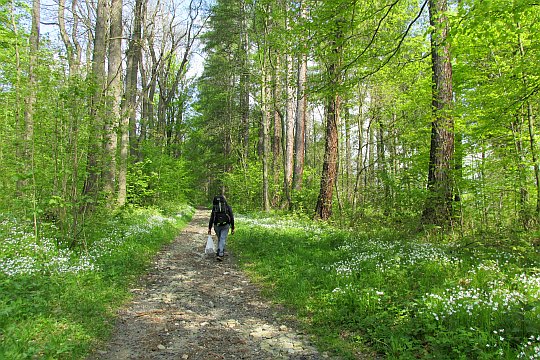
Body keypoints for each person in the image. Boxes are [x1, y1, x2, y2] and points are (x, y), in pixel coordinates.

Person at [208, 195, 235, 261]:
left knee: (220, 238)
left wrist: (209, 227)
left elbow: (212, 218)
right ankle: (220, 253)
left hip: (216, 225)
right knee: (222, 238)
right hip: (226, 225)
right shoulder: (228, 207)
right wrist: (232, 227)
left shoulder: (215, 208)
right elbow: (231, 217)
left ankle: (219, 250)